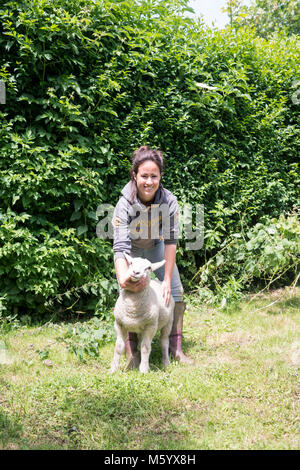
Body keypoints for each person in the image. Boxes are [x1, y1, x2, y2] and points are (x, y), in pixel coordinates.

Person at [112, 145, 194, 368]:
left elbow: (171, 240)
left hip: (157, 248)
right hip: (132, 252)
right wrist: (123, 279)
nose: (149, 181)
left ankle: (175, 348)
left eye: (154, 176)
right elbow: (119, 246)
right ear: (135, 175)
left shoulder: (168, 201)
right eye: (144, 175)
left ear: (160, 177)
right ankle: (132, 353)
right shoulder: (124, 203)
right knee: (129, 291)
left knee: (176, 290)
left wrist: (166, 279)